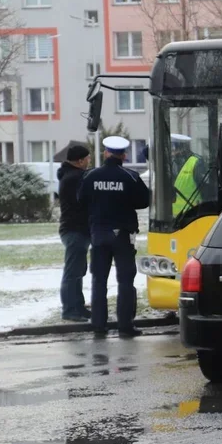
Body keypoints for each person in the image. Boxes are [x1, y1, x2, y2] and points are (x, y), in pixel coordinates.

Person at [78, 136, 150, 339]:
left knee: (99, 280)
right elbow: (144, 201)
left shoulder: (90, 176)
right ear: (124, 156)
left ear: (105, 153)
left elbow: (80, 199)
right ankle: (125, 326)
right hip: (123, 235)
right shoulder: (131, 176)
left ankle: (99, 325)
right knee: (125, 281)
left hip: (99, 234)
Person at [57, 144, 92, 322]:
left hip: (75, 229)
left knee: (78, 270)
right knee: (72, 272)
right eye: (87, 158)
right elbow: (84, 201)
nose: (89, 161)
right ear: (80, 161)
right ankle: (70, 309)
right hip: (75, 230)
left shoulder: (71, 176)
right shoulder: (75, 178)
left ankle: (78, 306)